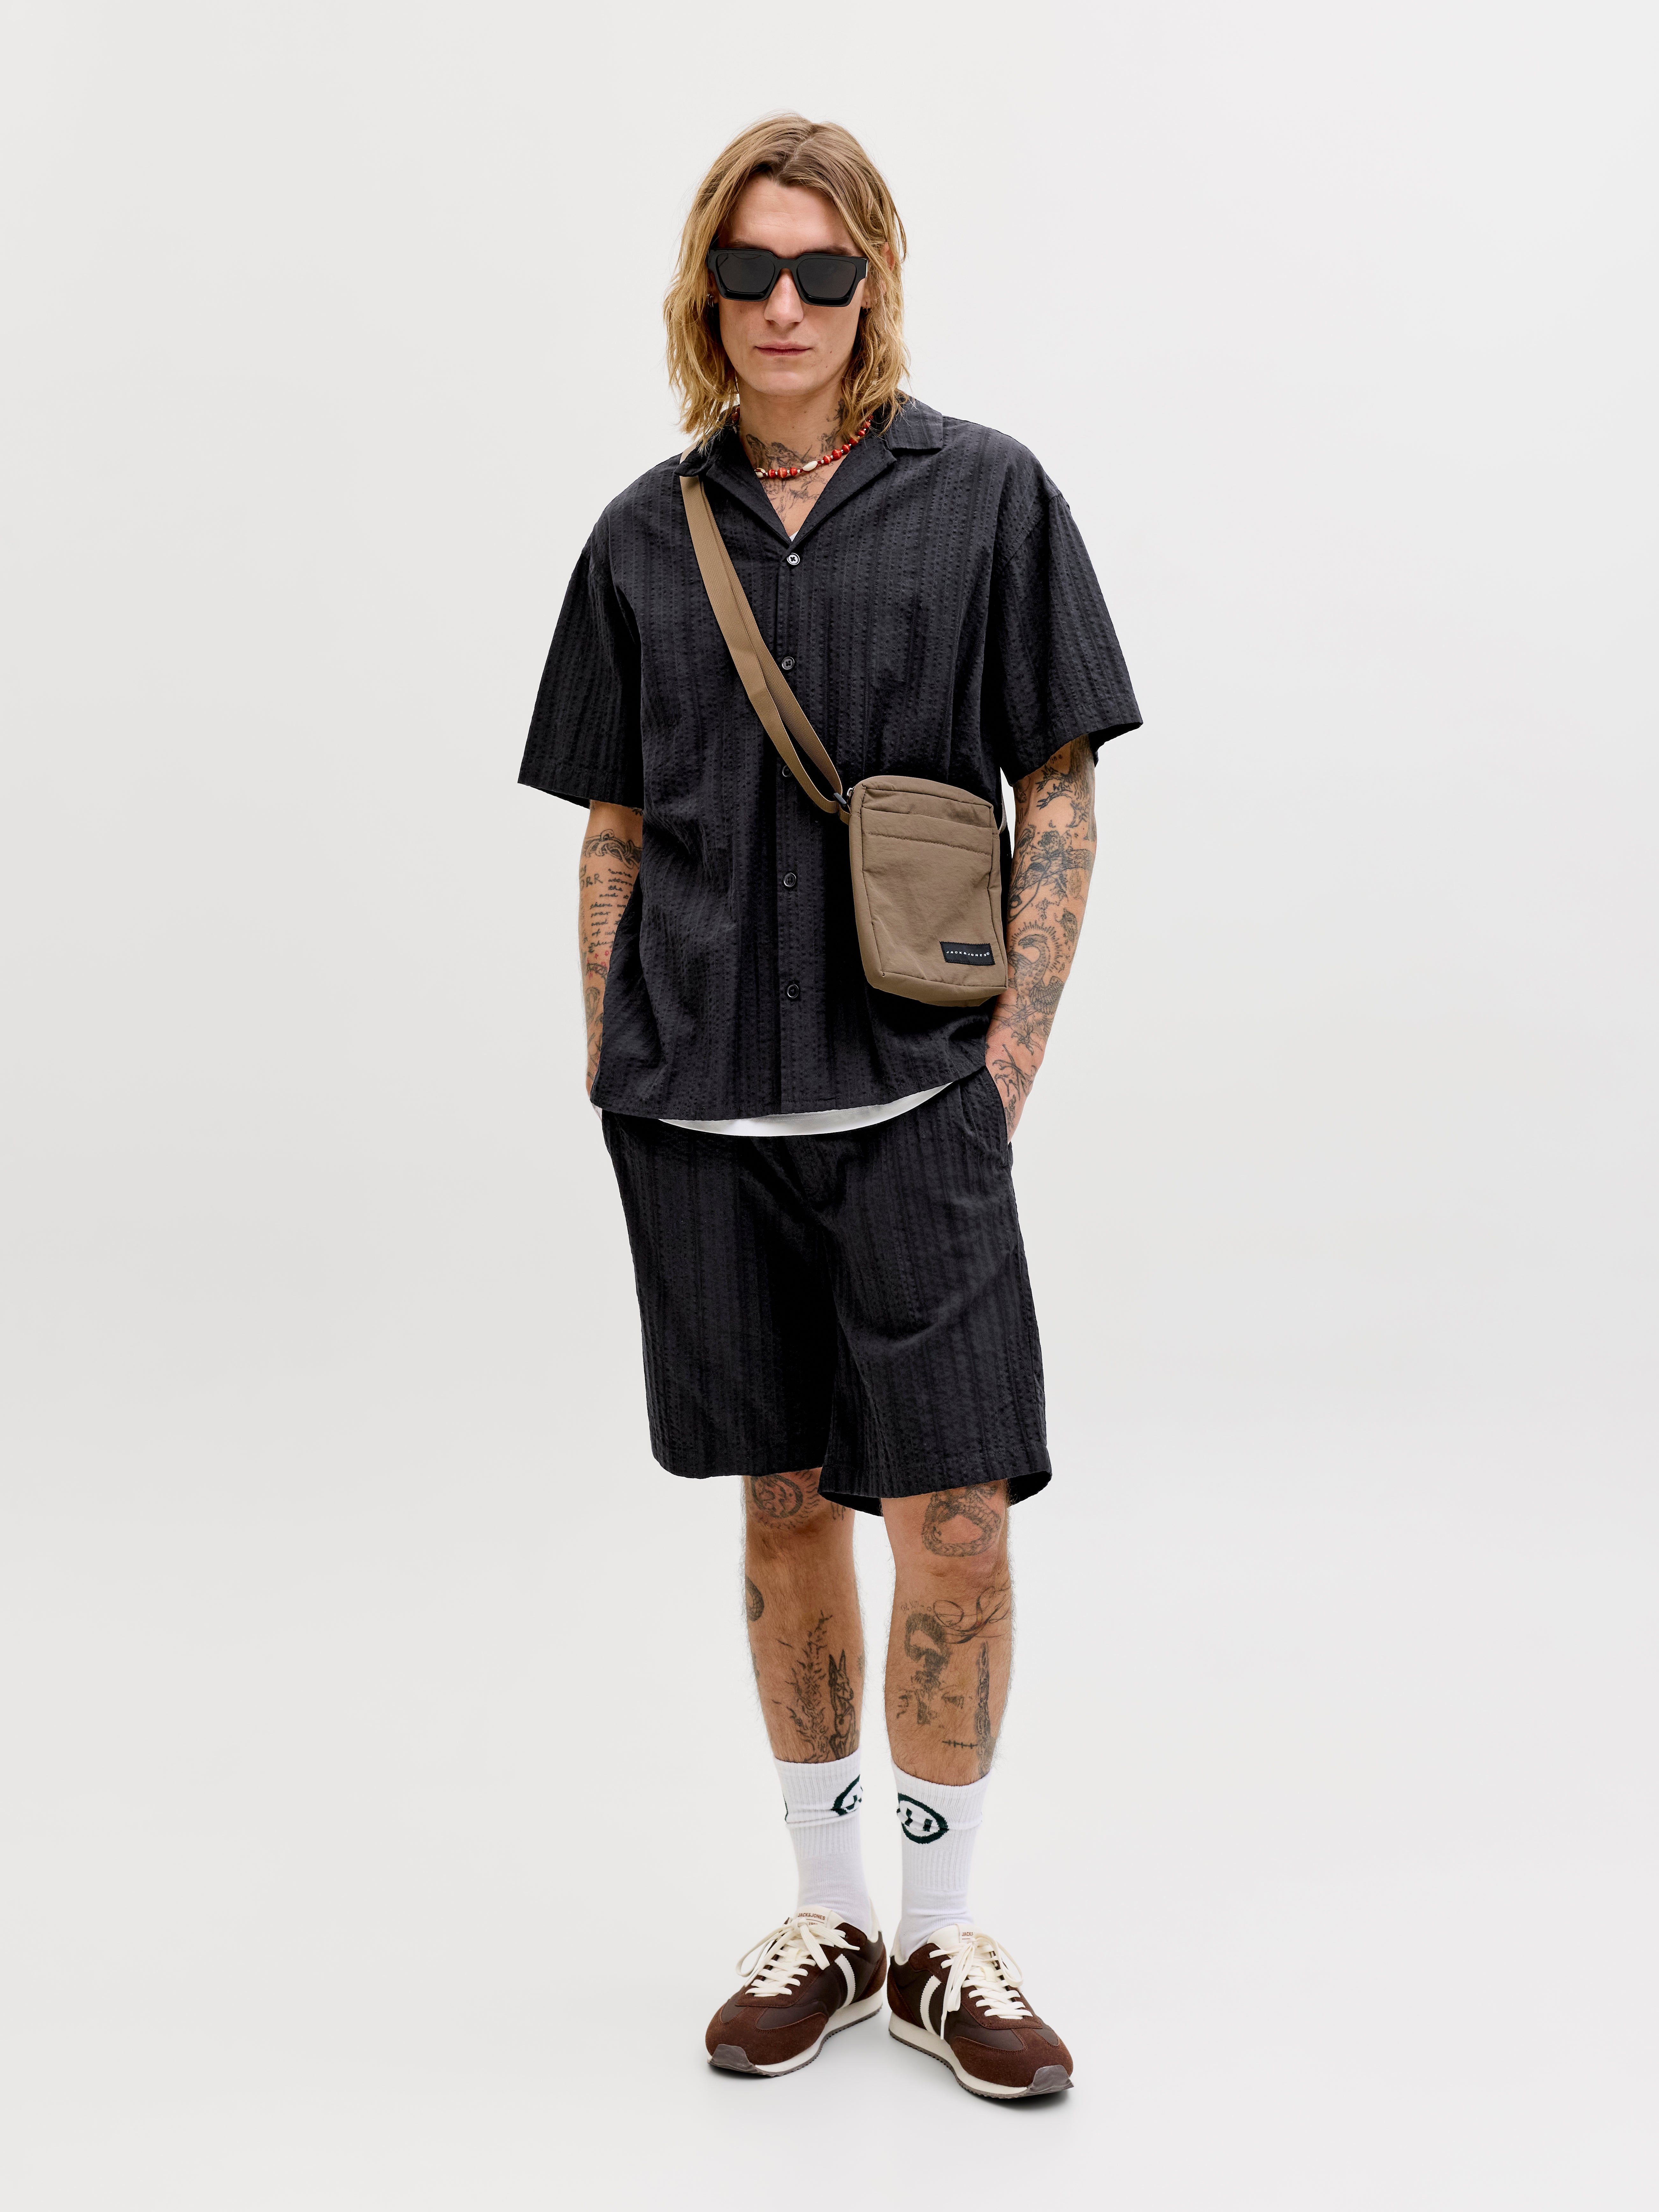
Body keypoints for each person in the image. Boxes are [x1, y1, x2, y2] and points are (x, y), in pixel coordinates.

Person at [520, 114, 1140, 2100]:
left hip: (917, 1105)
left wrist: (1002, 1073)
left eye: (821, 270)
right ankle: (831, 1912)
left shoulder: (990, 498)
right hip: (699, 1117)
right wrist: (611, 1059)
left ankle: (945, 1934)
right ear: (702, 290)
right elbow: (611, 826)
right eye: (747, 270)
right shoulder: (641, 536)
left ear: (873, 284)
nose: (781, 305)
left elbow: (1059, 788)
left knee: (955, 1523)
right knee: (783, 1512)